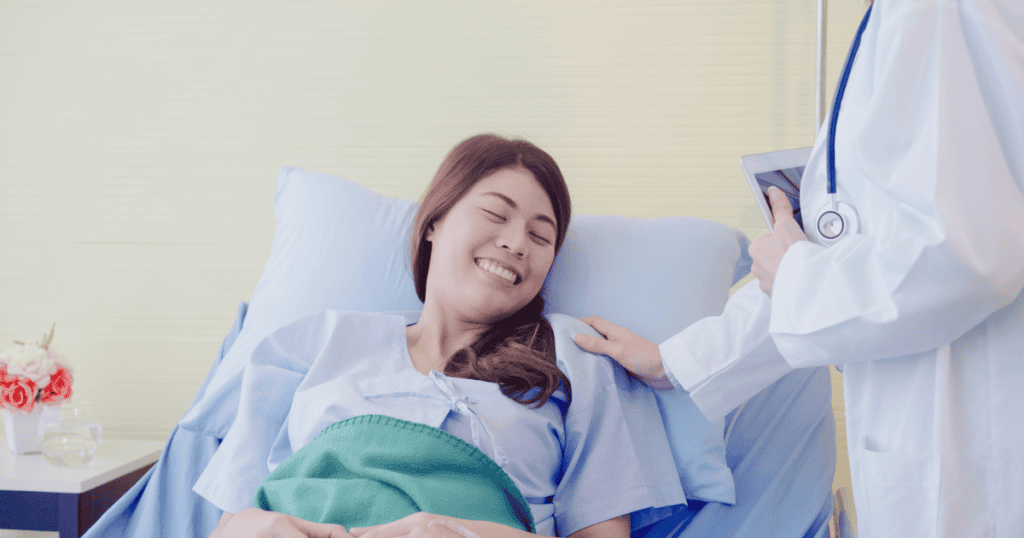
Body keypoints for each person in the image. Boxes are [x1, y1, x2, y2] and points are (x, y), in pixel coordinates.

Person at [573, 1, 1024, 536]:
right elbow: (875, 239)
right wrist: (677, 362)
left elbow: (968, 256)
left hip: (969, 441)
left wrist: (797, 277)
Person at [193, 133, 687, 538]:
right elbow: (232, 524)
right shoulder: (309, 343)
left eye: (541, 236)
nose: (516, 243)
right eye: (496, 214)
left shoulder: (571, 357)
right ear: (433, 222)